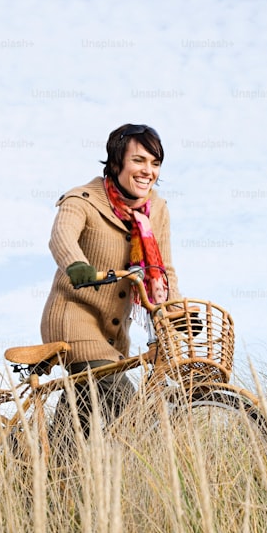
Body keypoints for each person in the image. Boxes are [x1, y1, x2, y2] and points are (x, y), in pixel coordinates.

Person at [41, 123, 180, 440]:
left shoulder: (156, 210)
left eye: (155, 163)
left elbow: (164, 267)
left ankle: (47, 477)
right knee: (124, 405)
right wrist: (76, 265)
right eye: (139, 160)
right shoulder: (84, 199)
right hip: (72, 319)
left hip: (114, 334)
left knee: (82, 416)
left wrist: (176, 311)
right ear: (117, 162)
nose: (148, 171)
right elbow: (62, 236)